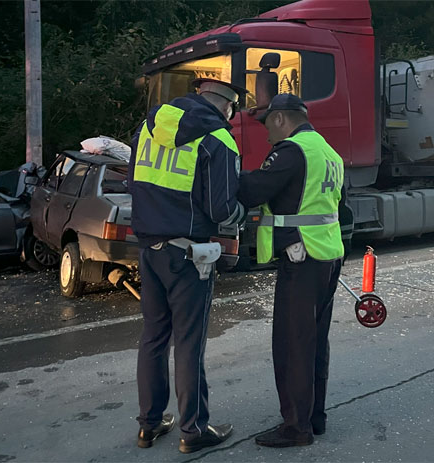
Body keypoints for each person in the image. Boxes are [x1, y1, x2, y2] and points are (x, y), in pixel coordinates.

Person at [128, 78, 247, 454]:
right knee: (189, 343)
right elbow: (222, 209)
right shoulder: (219, 139)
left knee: (153, 338)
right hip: (188, 255)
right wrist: (244, 212)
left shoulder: (146, 130)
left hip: (149, 249)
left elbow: (134, 182)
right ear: (226, 106)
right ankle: (193, 429)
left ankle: (149, 425)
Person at [238, 93, 345, 448]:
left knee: (292, 344)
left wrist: (219, 168)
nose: (267, 133)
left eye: (269, 124)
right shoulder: (326, 151)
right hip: (327, 254)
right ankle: (315, 417)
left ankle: (296, 427)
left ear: (282, 120)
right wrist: (261, 117)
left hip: (301, 258)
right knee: (314, 342)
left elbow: (253, 190)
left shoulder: (290, 152)